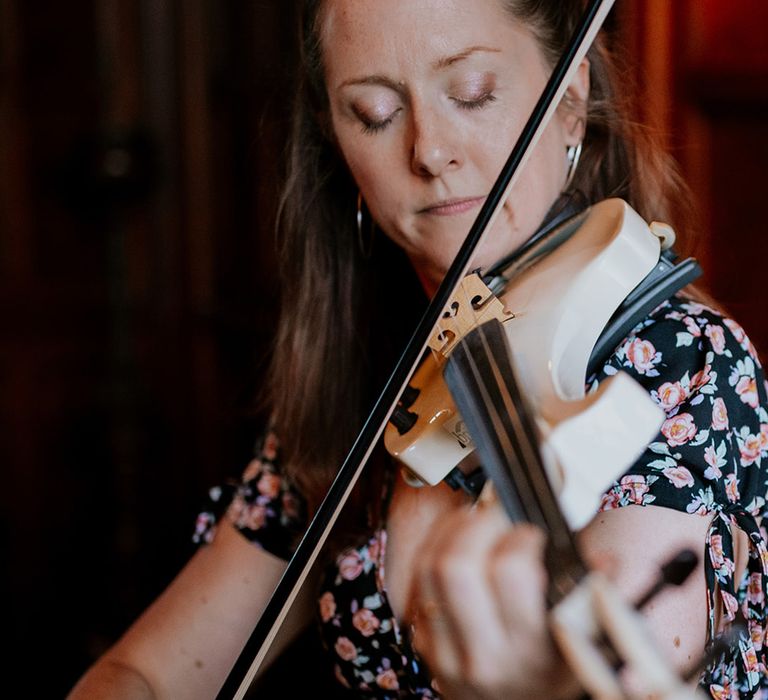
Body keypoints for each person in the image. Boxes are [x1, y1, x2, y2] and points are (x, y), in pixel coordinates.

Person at [69, 1, 768, 698]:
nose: (429, 150)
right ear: (333, 138)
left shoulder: (678, 366)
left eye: (473, 94)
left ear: (571, 97)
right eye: (374, 112)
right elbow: (146, 672)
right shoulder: (373, 374)